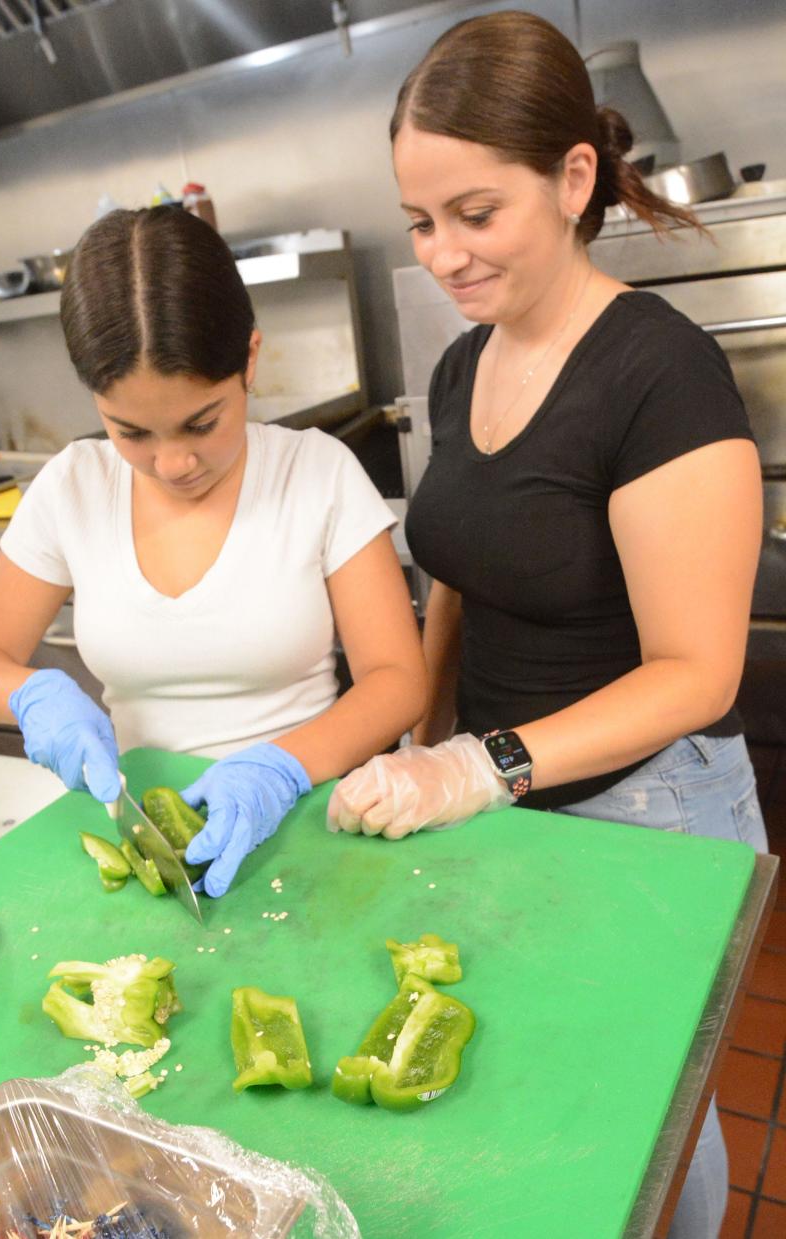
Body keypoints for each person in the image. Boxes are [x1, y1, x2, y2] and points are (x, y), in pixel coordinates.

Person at [326, 12, 766, 1239]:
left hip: (648, 811)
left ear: (574, 178)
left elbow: (697, 671)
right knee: (533, 1100)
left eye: (476, 213)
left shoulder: (660, 374)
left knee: (646, 1127)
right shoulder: (466, 367)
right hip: (506, 795)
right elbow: (459, 570)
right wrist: (421, 724)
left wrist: (479, 763)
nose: (444, 255)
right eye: (421, 222)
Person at [0, 205, 426, 899]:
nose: (173, 463)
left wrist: (279, 768)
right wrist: (27, 694)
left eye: (203, 422)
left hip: (305, 821)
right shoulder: (74, 485)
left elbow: (398, 679)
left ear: (250, 361)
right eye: (130, 431)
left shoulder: (317, 473)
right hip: (141, 840)